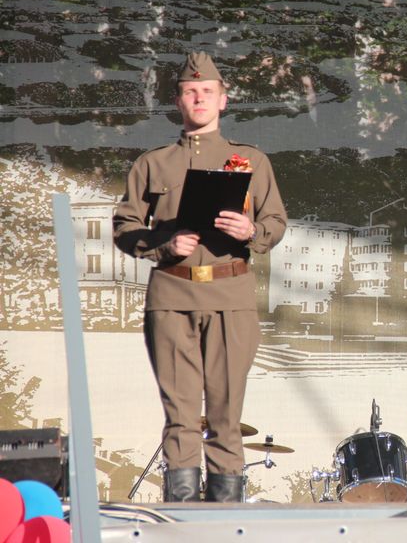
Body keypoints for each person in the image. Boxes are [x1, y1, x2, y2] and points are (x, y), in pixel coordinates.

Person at [114, 51, 287, 502]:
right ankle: (183, 513)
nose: (199, 99)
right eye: (190, 92)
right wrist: (162, 246)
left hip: (231, 294)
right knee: (181, 414)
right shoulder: (153, 163)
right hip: (172, 294)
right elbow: (124, 226)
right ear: (178, 101)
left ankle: (227, 512)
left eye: (207, 92)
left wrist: (251, 231)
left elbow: (276, 222)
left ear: (223, 101)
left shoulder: (250, 161)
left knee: (227, 413)